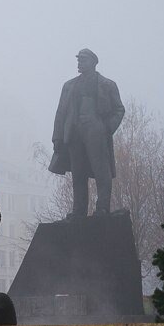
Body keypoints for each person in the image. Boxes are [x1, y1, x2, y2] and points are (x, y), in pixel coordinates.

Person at [49, 48, 125, 217]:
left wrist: (106, 128)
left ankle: (102, 207)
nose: (79, 63)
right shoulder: (69, 86)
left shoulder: (107, 84)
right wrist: (57, 137)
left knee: (101, 171)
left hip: (95, 132)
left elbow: (119, 109)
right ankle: (79, 210)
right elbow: (61, 112)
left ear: (93, 63)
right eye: (78, 60)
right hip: (74, 134)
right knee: (78, 173)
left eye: (83, 60)